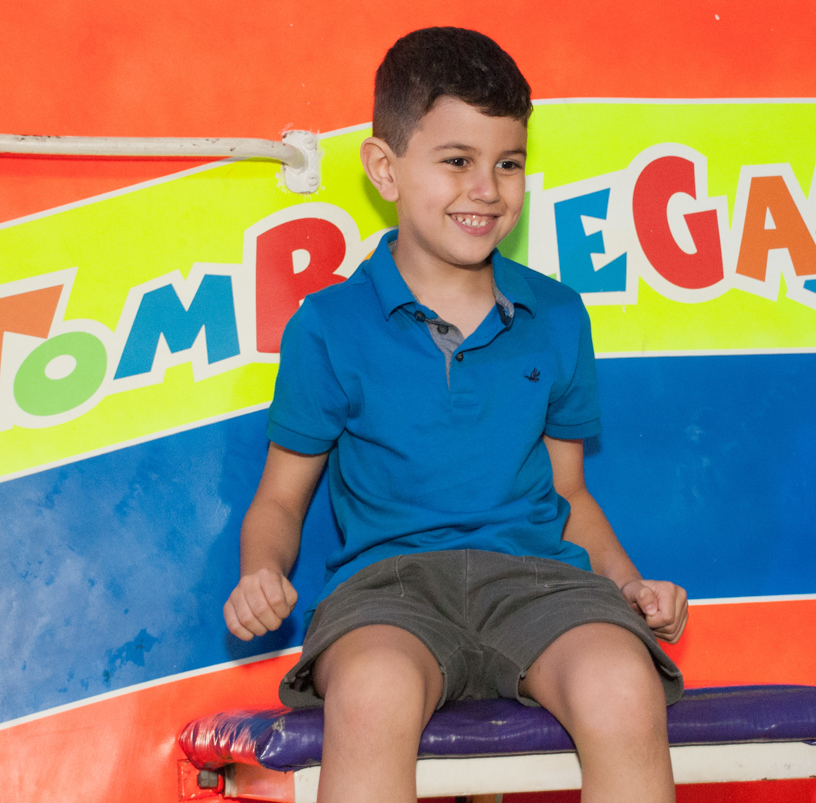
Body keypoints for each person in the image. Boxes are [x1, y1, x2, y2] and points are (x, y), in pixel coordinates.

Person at [221, 26, 687, 803]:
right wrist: (259, 572)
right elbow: (278, 498)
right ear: (385, 168)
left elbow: (568, 493)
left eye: (508, 164)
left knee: (622, 681)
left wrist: (632, 586)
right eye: (457, 161)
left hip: (539, 586)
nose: (487, 188)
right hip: (388, 592)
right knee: (370, 692)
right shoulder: (329, 325)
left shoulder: (559, 316)